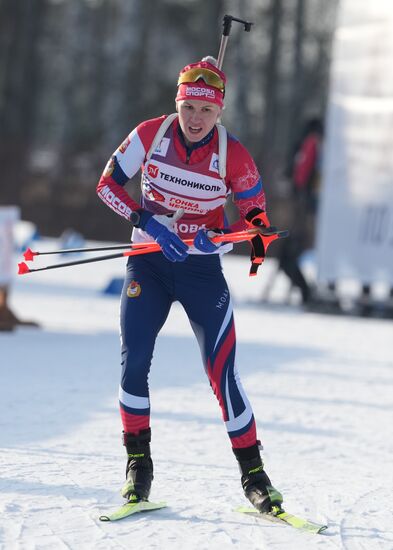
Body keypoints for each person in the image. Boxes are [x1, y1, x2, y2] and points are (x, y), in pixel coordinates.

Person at [96, 57, 283, 513]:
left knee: (223, 373)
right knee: (134, 361)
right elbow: (107, 186)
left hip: (200, 270)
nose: (196, 119)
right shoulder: (149, 134)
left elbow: (258, 224)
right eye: (189, 107)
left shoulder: (233, 153)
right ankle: (138, 468)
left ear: (219, 112)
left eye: (207, 110)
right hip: (149, 263)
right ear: (177, 103)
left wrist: (221, 237)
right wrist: (147, 222)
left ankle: (254, 476)